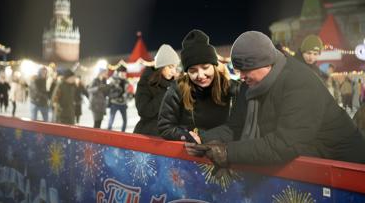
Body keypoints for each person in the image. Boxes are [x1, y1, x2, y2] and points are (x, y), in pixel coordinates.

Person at [185, 31, 365, 165]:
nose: (241, 77)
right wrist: (203, 137)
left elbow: (284, 144)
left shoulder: (299, 83)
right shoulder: (249, 86)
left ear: (265, 63)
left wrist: (228, 152)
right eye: (239, 71)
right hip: (307, 165)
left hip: (344, 167)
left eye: (246, 70)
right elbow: (236, 127)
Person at [158, 29, 235, 142]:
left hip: (222, 150)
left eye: (205, 67)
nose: (200, 75)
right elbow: (165, 127)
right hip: (190, 152)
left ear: (213, 66)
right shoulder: (178, 89)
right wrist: (184, 135)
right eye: (193, 70)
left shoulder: (228, 85)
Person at [134, 44, 180, 136]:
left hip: (169, 135)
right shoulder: (146, 82)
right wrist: (166, 92)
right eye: (170, 67)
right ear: (161, 66)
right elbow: (144, 111)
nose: (173, 71)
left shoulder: (173, 84)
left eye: (175, 67)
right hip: (149, 135)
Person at [107, 65, 129, 132]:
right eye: (122, 72)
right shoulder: (113, 80)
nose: (123, 74)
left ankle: (123, 133)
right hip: (114, 103)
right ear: (118, 72)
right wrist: (117, 93)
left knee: (125, 120)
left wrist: (128, 95)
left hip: (123, 103)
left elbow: (127, 92)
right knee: (111, 120)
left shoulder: (126, 81)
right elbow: (109, 92)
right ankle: (108, 133)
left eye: (124, 72)